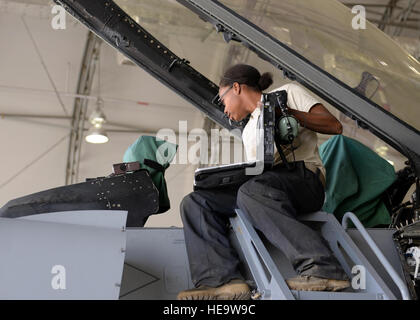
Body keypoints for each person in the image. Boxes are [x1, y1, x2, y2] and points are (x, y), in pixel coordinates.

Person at [177, 64, 350, 300]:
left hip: (305, 179)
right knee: (196, 202)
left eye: (223, 99)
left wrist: (287, 114)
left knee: (252, 191)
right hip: (265, 187)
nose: (224, 109)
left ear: (236, 88)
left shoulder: (288, 93)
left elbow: (334, 125)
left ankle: (323, 267)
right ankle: (222, 281)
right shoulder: (248, 130)